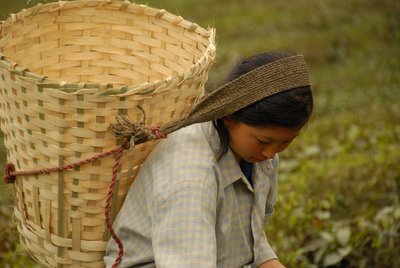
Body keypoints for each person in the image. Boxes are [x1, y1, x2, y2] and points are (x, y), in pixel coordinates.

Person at [104, 51, 314, 268]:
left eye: (285, 142)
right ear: (229, 116)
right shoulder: (191, 176)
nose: (271, 153)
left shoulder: (259, 155)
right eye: (264, 141)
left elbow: (250, 239)